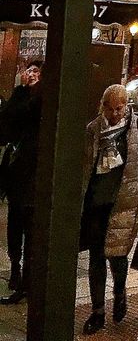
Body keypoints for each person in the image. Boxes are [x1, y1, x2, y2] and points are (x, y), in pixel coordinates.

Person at [80, 84, 138, 334]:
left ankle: (119, 291)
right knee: (96, 258)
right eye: (110, 109)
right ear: (102, 106)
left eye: (119, 109)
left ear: (126, 106)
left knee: (117, 256)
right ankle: (97, 311)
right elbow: (84, 165)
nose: (114, 114)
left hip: (125, 202)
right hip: (96, 202)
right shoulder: (93, 129)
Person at [0, 62, 42, 305]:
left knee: (30, 227)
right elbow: (5, 123)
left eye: (38, 72)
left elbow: (30, 113)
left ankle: (26, 279)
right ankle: (16, 267)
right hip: (17, 174)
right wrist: (20, 90)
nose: (33, 75)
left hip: (34, 174)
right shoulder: (22, 96)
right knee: (15, 224)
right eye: (30, 71)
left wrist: (28, 91)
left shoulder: (41, 99)